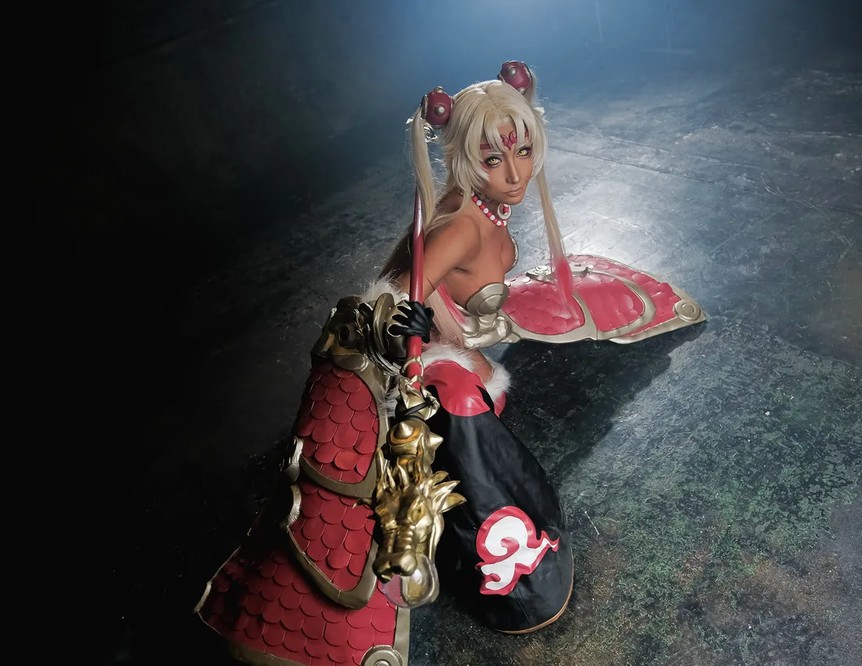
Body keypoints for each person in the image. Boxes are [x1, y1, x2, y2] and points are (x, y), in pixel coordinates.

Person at [195, 61, 704, 666]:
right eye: (493, 159)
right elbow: (388, 301)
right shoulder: (461, 227)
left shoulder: (485, 208)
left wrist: (482, 326)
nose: (515, 174)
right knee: (466, 419)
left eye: (522, 152)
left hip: (463, 348)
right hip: (427, 377)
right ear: (464, 160)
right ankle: (507, 562)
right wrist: (410, 327)